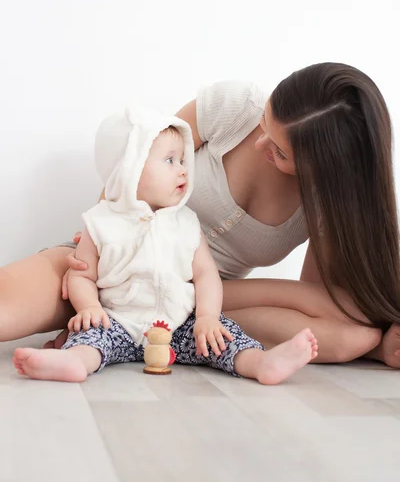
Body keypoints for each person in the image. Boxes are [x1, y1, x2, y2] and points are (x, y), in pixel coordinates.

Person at [1, 63, 399, 367]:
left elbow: (318, 301)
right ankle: (109, 331)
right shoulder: (236, 106)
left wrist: (377, 335)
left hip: (200, 302)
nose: (261, 143)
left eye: (279, 152)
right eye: (265, 124)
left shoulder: (324, 203)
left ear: (323, 169)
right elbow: (136, 156)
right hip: (114, 269)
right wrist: (103, 230)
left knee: (351, 333)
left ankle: (154, 338)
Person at [13, 109, 318, 383]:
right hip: (119, 321)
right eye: (170, 161)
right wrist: (89, 308)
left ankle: (260, 362)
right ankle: (74, 362)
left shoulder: (186, 223)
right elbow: (80, 275)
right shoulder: (100, 223)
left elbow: (206, 275)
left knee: (224, 337)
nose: (183, 169)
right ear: (129, 170)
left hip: (182, 324)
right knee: (91, 337)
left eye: (183, 160)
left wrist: (207, 317)